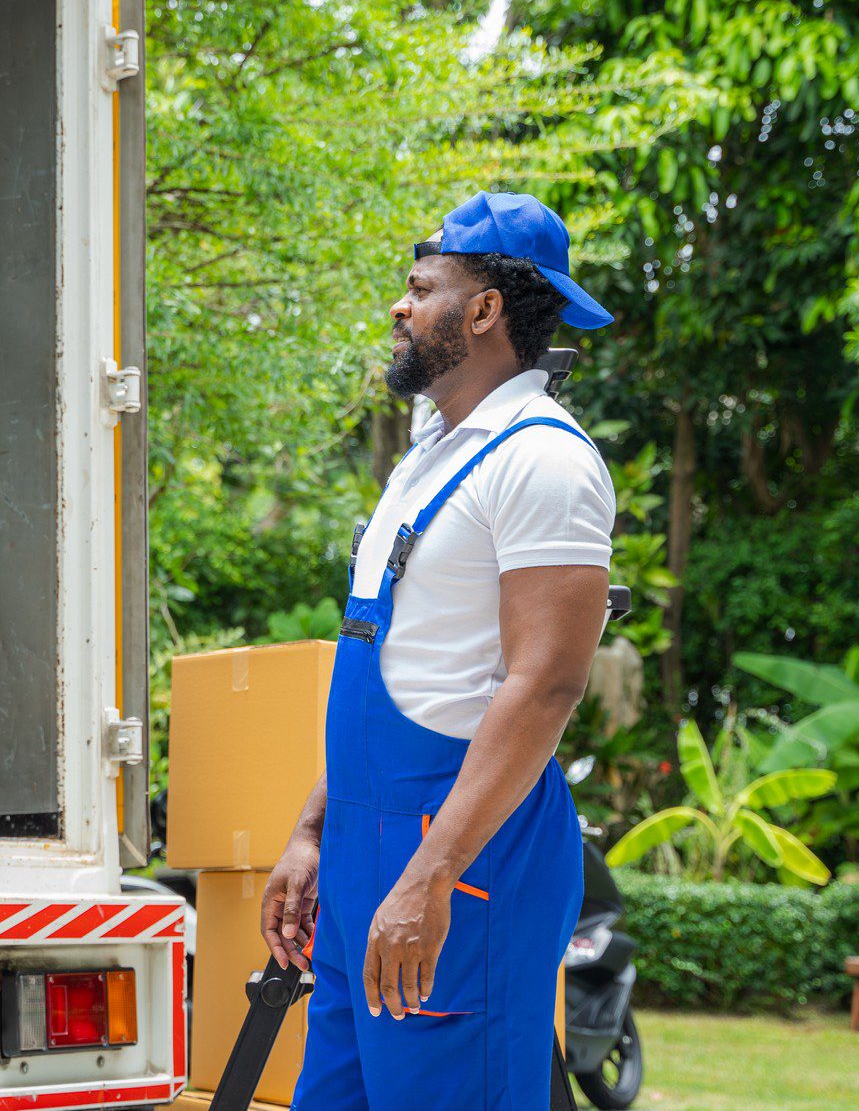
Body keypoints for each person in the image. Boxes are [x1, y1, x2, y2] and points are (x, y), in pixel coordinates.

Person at [261, 191, 617, 1107]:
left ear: (485, 310)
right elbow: (406, 665)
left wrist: (432, 874)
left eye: (420, 288)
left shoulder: (545, 461)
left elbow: (545, 685)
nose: (399, 306)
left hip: (461, 854)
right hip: (365, 847)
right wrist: (314, 829)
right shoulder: (427, 459)